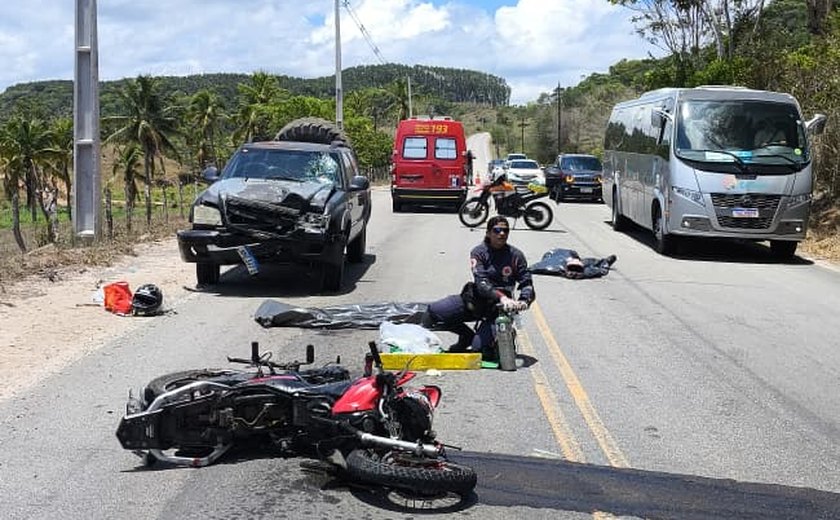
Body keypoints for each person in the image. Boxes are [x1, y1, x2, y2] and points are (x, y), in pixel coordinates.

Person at [422, 216, 535, 355]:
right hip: (476, 300)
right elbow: (481, 283)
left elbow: (527, 282)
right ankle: (465, 336)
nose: (502, 234)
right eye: (497, 230)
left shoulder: (516, 256)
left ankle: (504, 337)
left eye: (505, 230)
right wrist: (502, 297)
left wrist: (524, 300)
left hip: (499, 309)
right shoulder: (479, 252)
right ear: (488, 233)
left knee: (479, 350)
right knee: (434, 311)